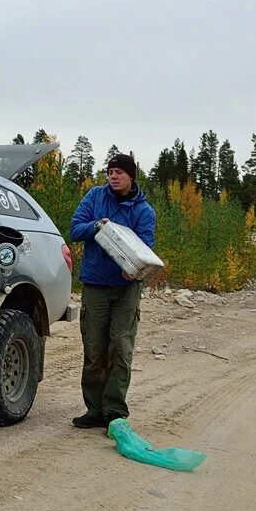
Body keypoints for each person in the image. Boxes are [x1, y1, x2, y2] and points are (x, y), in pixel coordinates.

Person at [68, 154, 156, 429]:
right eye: (110, 172)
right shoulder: (95, 197)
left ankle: (114, 412)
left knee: (120, 348)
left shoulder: (144, 211)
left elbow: (146, 248)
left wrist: (135, 269)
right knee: (94, 348)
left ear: (131, 176)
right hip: (95, 284)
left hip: (126, 288)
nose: (113, 176)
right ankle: (94, 409)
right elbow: (74, 229)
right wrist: (96, 226)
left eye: (119, 172)